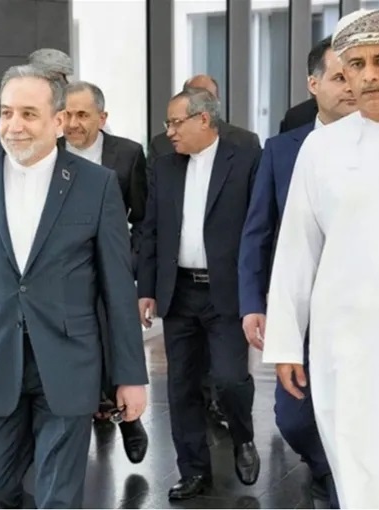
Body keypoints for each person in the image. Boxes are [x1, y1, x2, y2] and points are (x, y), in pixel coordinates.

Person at [0, 65, 148, 509]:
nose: (14, 125)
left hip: (69, 364)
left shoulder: (96, 185)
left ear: (58, 121)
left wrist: (130, 377)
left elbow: (118, 289)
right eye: (7, 113)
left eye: (28, 114)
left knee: (57, 499)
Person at [263, 9, 379, 508]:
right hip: (345, 346)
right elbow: (297, 248)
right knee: (359, 471)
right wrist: (286, 342)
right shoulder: (320, 148)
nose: (368, 75)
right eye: (356, 64)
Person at [238, 35, 355, 509]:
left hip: (363, 308)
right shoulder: (283, 149)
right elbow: (257, 230)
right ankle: (327, 468)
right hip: (303, 307)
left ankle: (344, 483)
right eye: (340, 76)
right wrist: (252, 304)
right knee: (294, 418)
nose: (352, 86)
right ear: (314, 84)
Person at [137, 87, 261, 500]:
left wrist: (258, 293)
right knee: (181, 387)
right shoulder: (165, 166)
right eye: (168, 123)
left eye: (176, 122)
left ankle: (242, 435)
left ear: (203, 120)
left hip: (226, 291)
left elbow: (260, 228)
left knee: (229, 379)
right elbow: (151, 230)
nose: (169, 132)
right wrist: (146, 288)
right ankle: (193, 471)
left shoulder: (244, 160)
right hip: (180, 292)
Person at [59, 80, 149, 463]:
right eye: (67, 115)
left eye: (82, 115)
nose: (73, 124)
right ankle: (99, 409)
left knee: (114, 338)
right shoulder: (49, 153)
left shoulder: (127, 155)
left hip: (112, 267)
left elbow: (143, 218)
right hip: (65, 273)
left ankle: (128, 417)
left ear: (102, 117)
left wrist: (129, 262)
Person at [147, 74, 261, 161]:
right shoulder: (161, 146)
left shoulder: (246, 143)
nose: (202, 103)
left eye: (208, 98)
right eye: (195, 97)